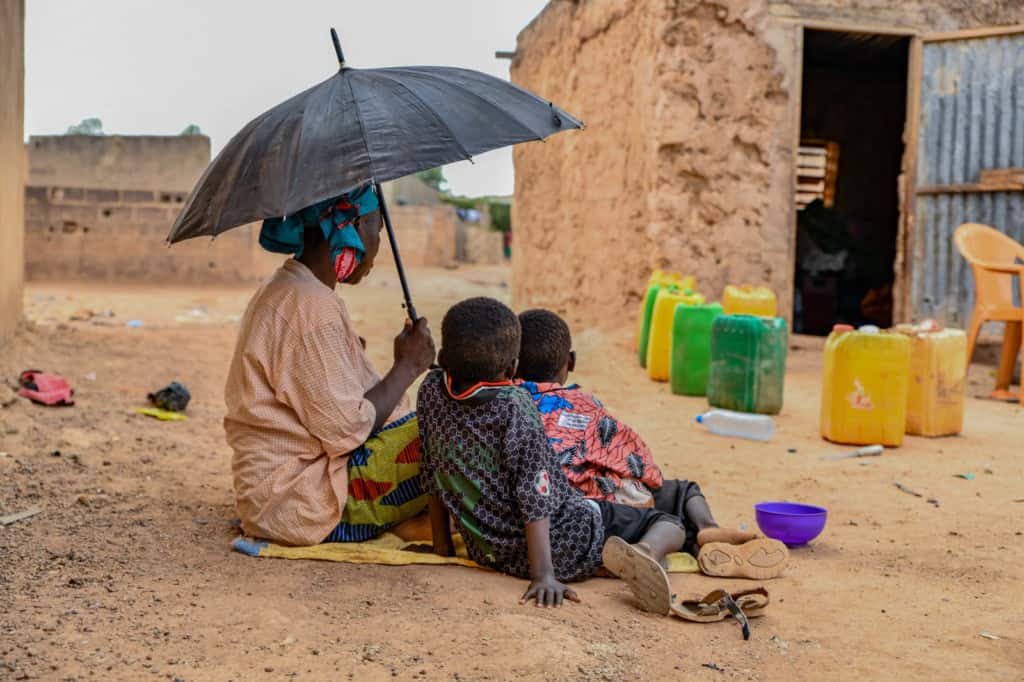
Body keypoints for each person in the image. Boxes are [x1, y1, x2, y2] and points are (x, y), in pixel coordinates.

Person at [418, 297, 700, 613]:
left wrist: (441, 548)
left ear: (442, 357)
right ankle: (647, 552)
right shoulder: (516, 407)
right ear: (512, 368)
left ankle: (626, 556)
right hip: (565, 541)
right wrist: (544, 576)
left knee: (611, 519)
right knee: (669, 522)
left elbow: (433, 469)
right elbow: (537, 493)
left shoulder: (430, 392)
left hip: (490, 552)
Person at [224, 184, 435, 547]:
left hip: (272, 496)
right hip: (301, 504)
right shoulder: (310, 306)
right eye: (376, 228)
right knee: (451, 431)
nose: (377, 245)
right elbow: (349, 428)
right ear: (351, 225)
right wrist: (407, 367)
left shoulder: (291, 287)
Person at [515, 308, 788, 579]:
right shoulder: (584, 406)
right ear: (571, 362)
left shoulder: (507, 402)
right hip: (581, 508)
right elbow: (634, 459)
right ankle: (696, 533)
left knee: (654, 502)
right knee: (678, 499)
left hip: (533, 509)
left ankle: (704, 542)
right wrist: (646, 483)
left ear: (512, 364)